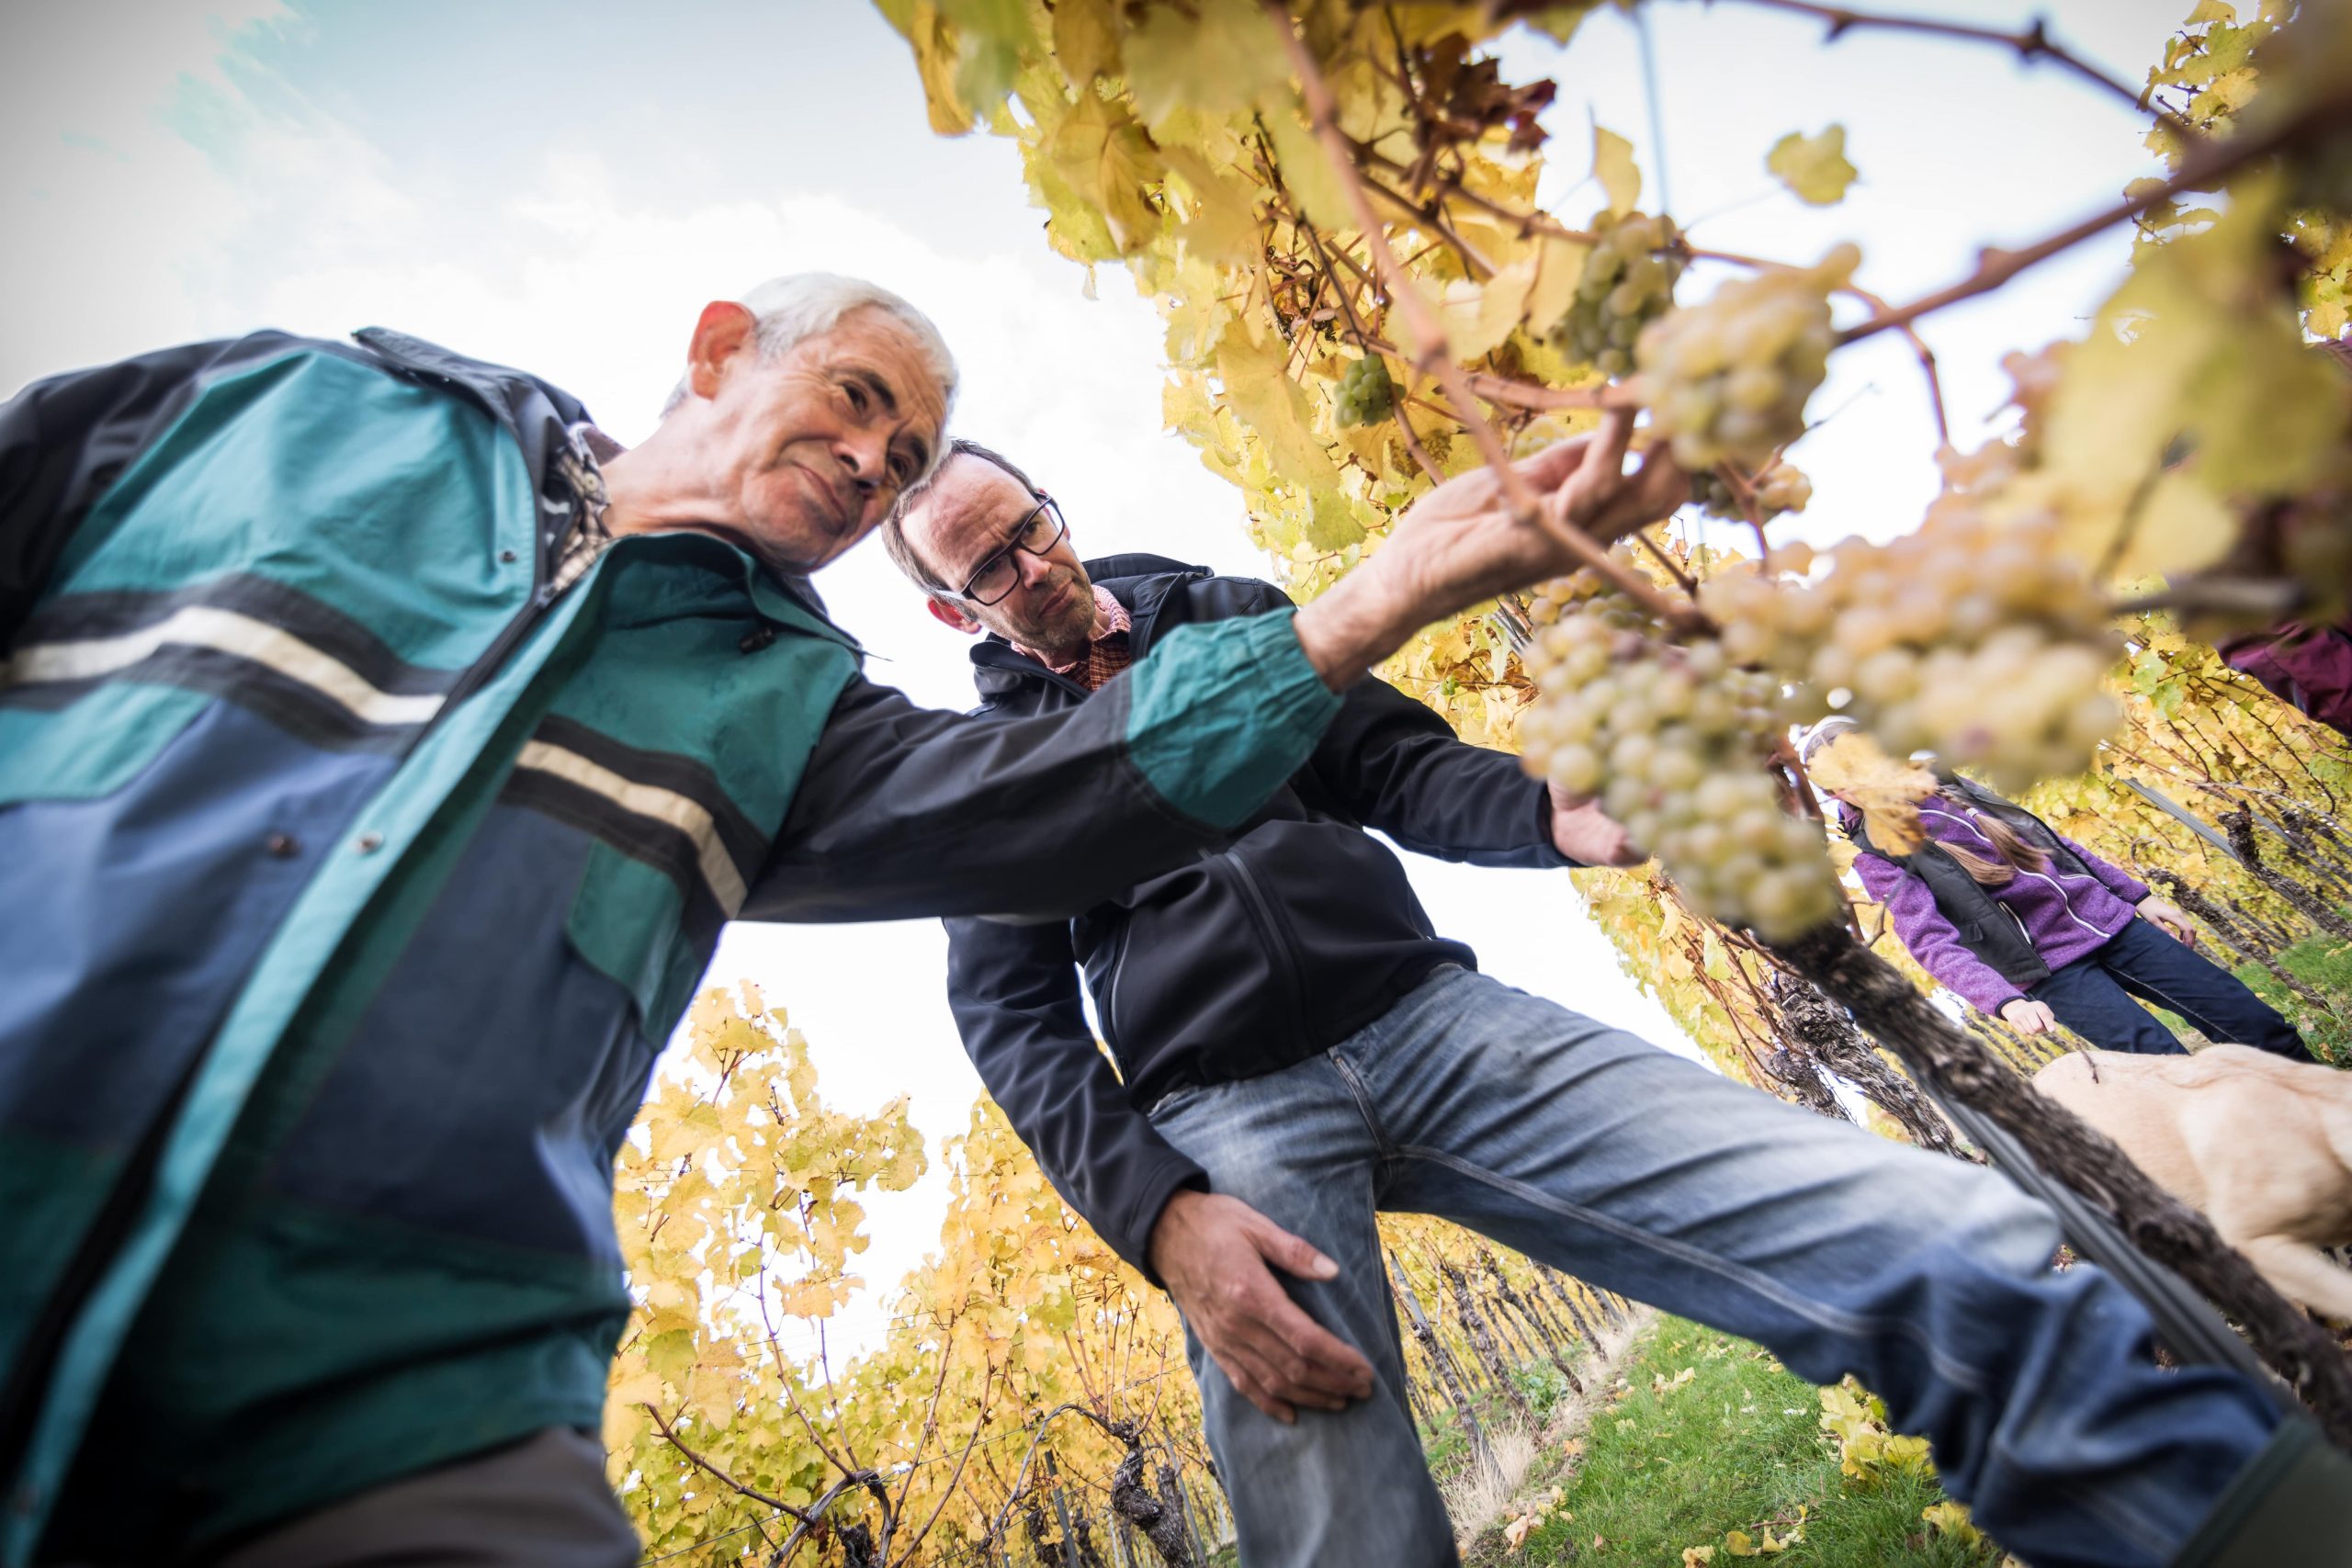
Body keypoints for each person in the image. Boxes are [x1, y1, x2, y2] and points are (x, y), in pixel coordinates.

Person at [0, 276, 1686, 1568]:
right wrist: (1157, 1203)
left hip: (409, 1390)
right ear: (723, 344)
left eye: (906, 463)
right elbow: (1012, 999)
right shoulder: (308, 411)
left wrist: (1411, 638)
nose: (875, 459)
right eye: (864, 403)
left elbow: (1147, 789)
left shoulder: (796, 707)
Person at [884, 446, 2348, 1568]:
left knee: (1943, 1245)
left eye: (1030, 526)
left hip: (1434, 1021)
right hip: (1223, 1122)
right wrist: (1156, 1210)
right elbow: (1012, 1017)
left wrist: (1553, 812)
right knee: (1337, 1515)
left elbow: (1397, 768)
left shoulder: (1234, 618)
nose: (1028, 565)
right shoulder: (981, 771)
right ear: (956, 607)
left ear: (1052, 510)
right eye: (987, 568)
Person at [1809, 716, 2315, 1062]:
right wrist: (2003, 1001)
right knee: (2171, 1070)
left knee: (2258, 1026)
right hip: (2049, 971)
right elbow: (1930, 941)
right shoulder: (1875, 851)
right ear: (1835, 792)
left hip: (2110, 923)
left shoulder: (1952, 789)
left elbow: (2056, 845)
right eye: (1843, 779)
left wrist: (2140, 896)